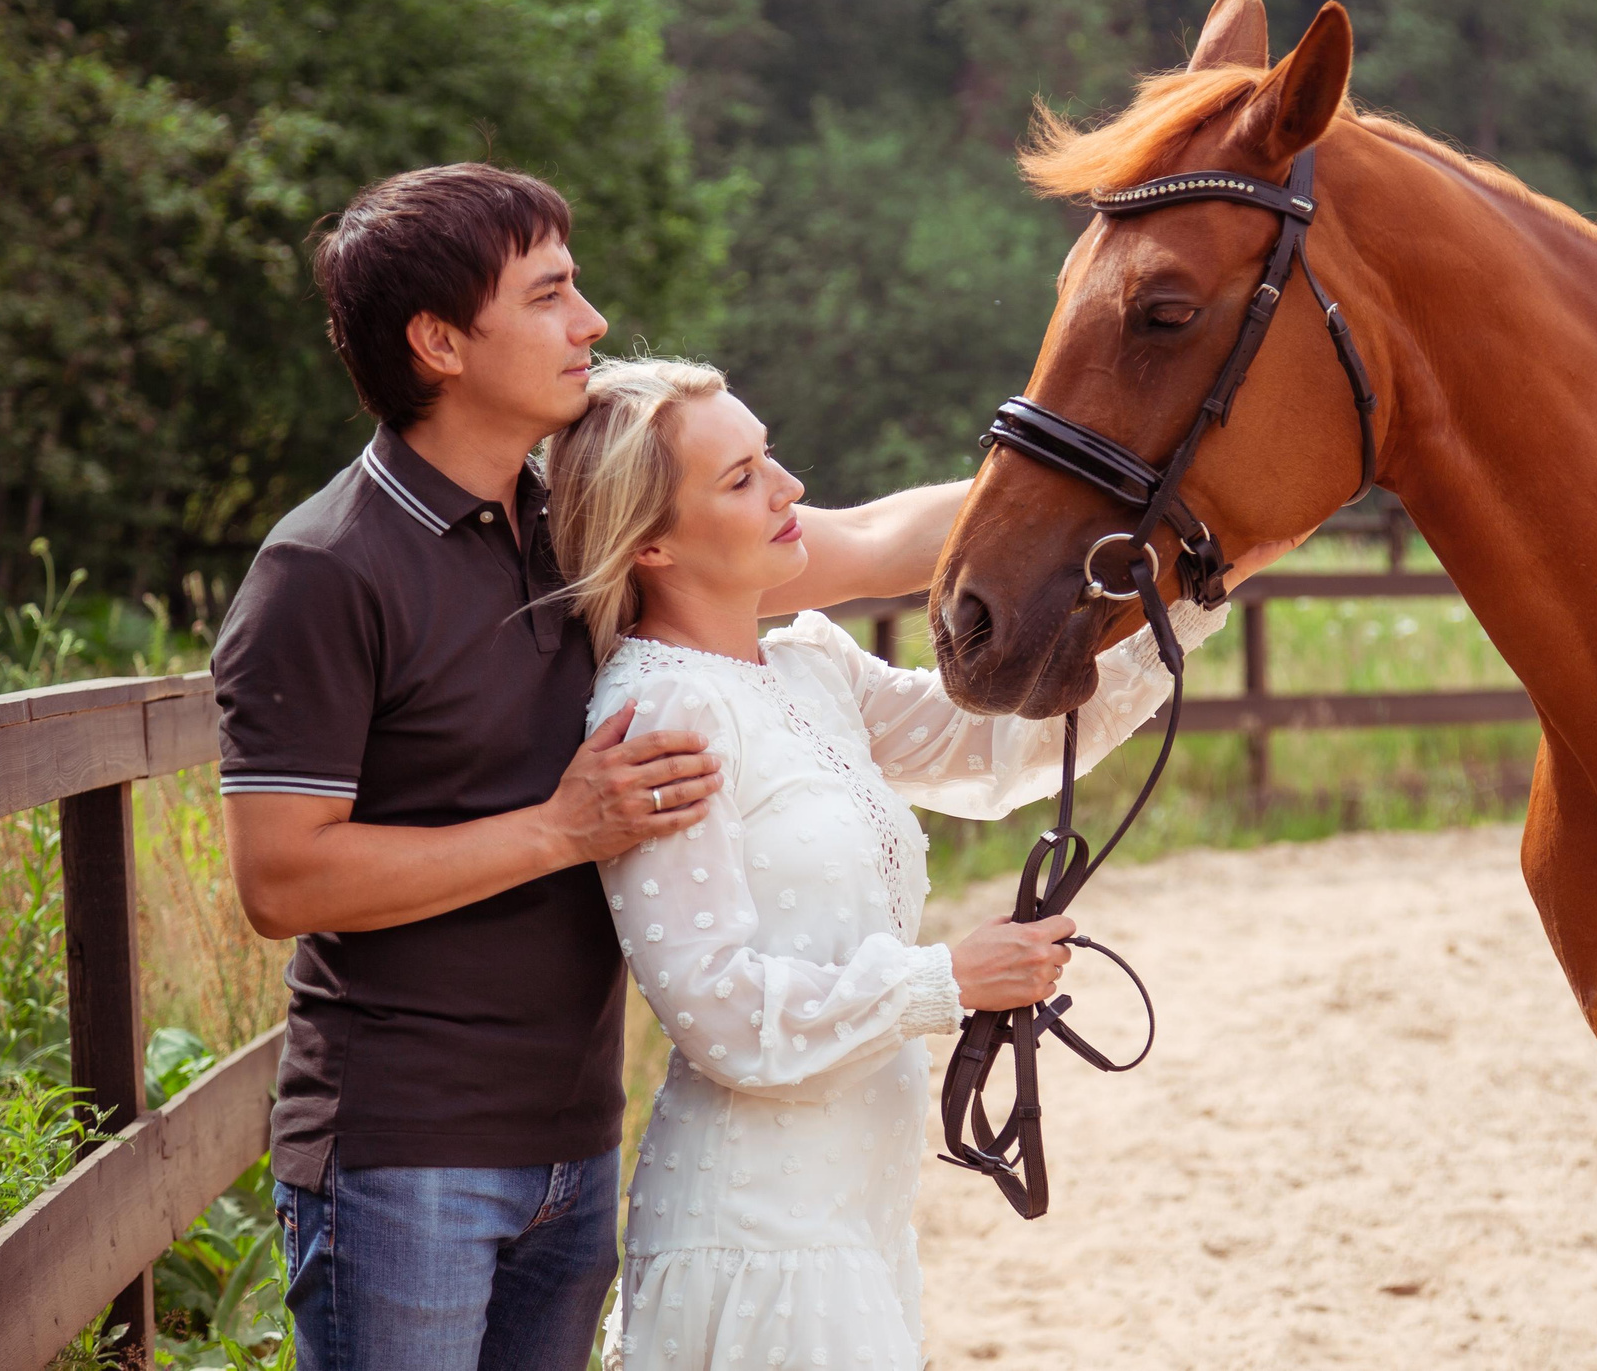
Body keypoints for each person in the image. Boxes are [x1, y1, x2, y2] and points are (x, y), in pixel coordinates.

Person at [214, 163, 969, 1371]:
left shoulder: (575, 527)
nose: (592, 323)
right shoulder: (325, 570)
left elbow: (876, 541)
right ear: (440, 341)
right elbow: (282, 883)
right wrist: (562, 829)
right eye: (551, 294)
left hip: (577, 1142)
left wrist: (1128, 474)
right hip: (407, 1155)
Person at [545, 357, 1286, 1371]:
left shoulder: (809, 667)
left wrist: (1204, 589)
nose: (789, 488)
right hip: (760, 1230)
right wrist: (947, 979)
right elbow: (715, 1008)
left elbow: (997, 749)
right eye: (741, 478)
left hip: (854, 1212)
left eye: (769, 460)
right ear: (654, 544)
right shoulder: (665, 711)